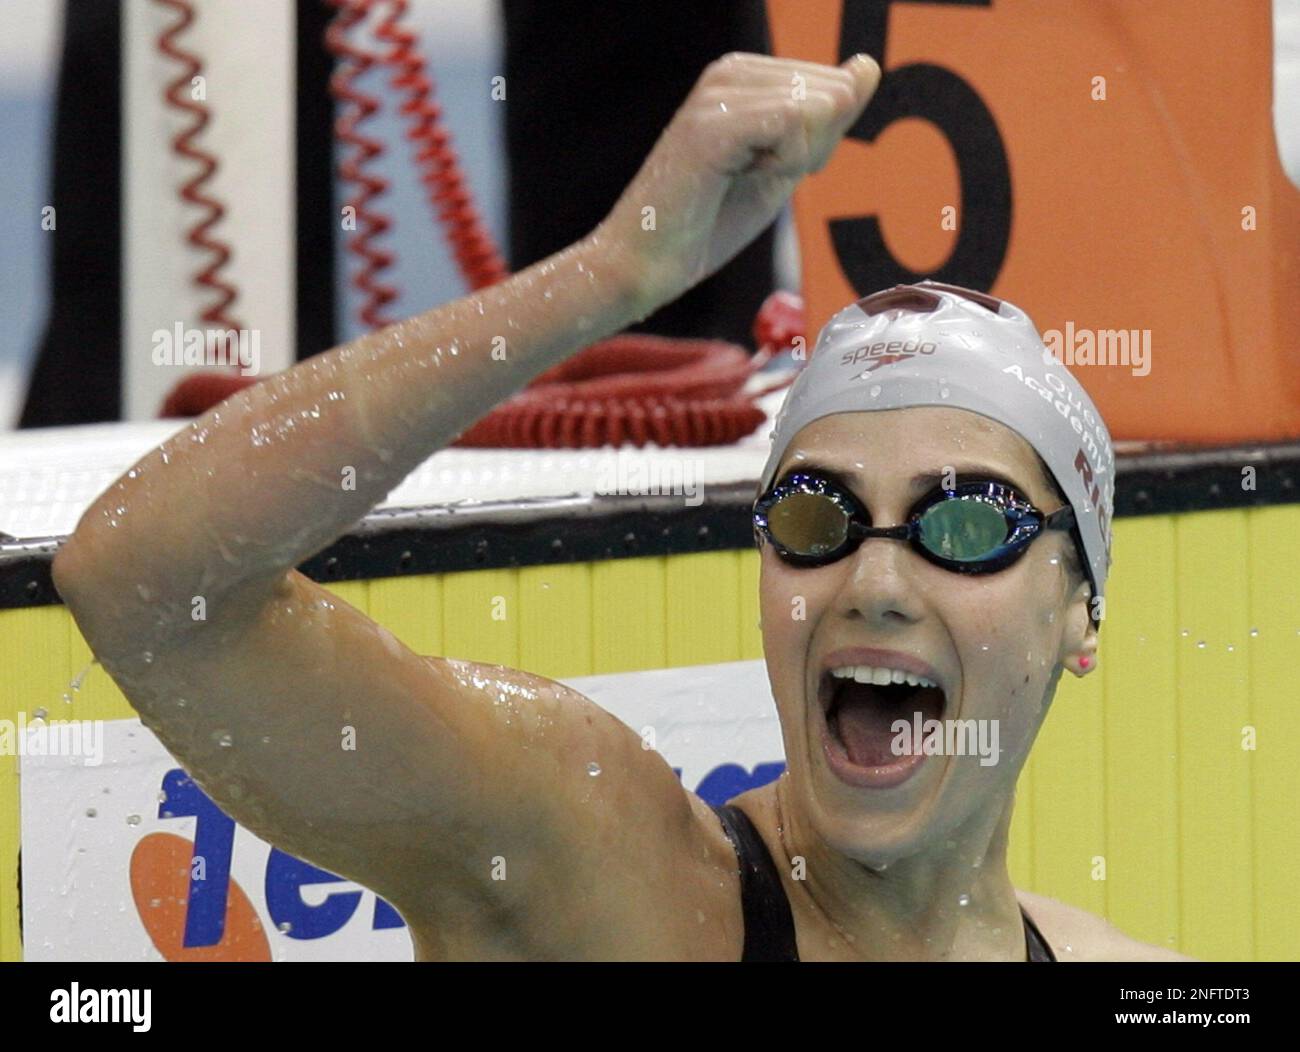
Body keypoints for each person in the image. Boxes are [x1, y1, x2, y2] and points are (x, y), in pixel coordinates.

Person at [52, 52, 1189, 961]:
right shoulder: (602, 875)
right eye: (813, 515)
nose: (875, 580)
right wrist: (611, 273)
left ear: (1082, 608)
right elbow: (150, 587)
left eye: (964, 523)